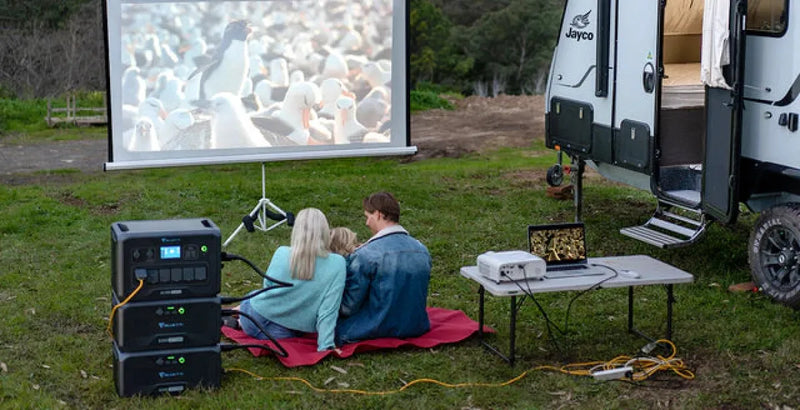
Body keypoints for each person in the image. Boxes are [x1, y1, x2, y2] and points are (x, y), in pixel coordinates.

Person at [235, 208, 346, 352]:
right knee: (256, 298)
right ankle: (236, 318)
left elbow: (267, 288)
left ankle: (235, 318)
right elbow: (329, 309)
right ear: (325, 231)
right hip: (284, 332)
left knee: (253, 296)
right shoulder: (337, 263)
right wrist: (325, 345)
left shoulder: (281, 253)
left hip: (254, 317)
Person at [335, 192, 432, 345]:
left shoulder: (365, 255)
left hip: (375, 329)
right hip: (416, 325)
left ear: (379, 215)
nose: (367, 223)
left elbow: (348, 307)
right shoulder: (422, 249)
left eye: (368, 217)